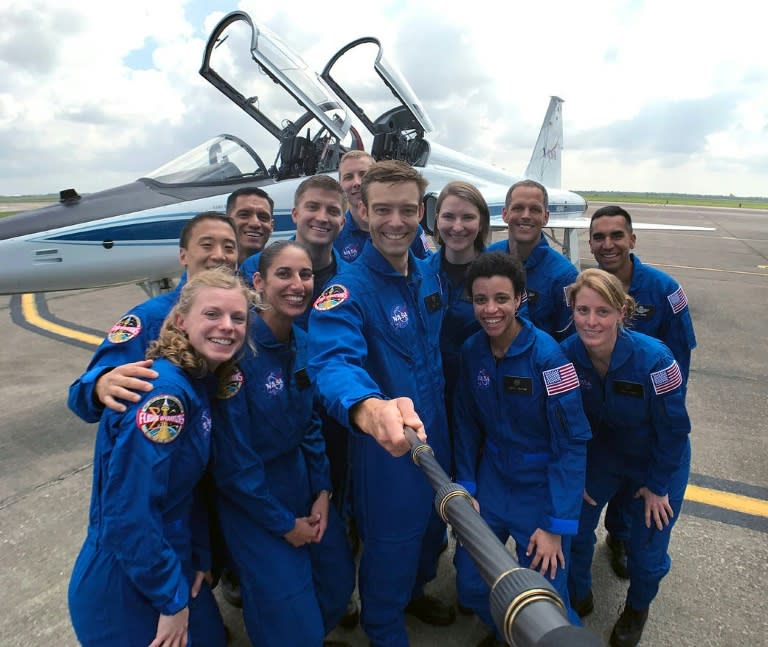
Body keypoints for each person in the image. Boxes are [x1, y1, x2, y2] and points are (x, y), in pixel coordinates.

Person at [308, 160, 454, 646]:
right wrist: (368, 407)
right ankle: (385, 627)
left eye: (408, 210)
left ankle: (414, 593)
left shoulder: (428, 275)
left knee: (433, 533)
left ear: (421, 213)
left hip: (438, 437)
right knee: (392, 543)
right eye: (384, 210)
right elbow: (332, 362)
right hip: (389, 447)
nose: (397, 222)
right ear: (364, 214)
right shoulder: (346, 291)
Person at [68, 267, 250, 647]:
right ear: (181, 321)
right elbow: (128, 513)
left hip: (170, 561)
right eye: (212, 314)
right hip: (127, 579)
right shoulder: (165, 395)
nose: (228, 326)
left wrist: (199, 554)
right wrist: (171, 601)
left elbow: (189, 491)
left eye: (238, 317)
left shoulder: (199, 383)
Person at [211, 241, 355, 646]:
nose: (298, 284)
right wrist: (281, 524)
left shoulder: (304, 342)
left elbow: (310, 424)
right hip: (252, 498)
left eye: (305, 275)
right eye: (284, 274)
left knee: (338, 580)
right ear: (258, 282)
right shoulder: (236, 353)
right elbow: (233, 460)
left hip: (301, 482)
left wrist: (322, 491)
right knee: (282, 603)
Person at [452, 252, 591, 645]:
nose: (491, 309)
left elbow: (571, 443)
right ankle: (507, 632)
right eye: (481, 300)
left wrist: (554, 524)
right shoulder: (472, 351)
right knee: (472, 583)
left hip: (539, 490)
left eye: (501, 298)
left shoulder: (548, 359)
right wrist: (466, 486)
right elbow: (464, 420)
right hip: (493, 480)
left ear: (519, 300)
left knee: (547, 602)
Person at [562, 268, 691, 647]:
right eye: (582, 310)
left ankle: (637, 608)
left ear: (622, 312)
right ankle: (579, 595)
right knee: (575, 524)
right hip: (602, 455)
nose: (591, 321)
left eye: (603, 311)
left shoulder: (655, 360)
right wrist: (576, 473)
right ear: (571, 310)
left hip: (654, 460)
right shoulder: (565, 355)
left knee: (647, 551)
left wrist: (657, 485)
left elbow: (674, 430)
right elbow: (564, 423)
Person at [588, 205, 697, 578]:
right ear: (590, 244)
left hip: (649, 415)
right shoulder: (587, 288)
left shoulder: (665, 289)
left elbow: (680, 360)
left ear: (632, 240)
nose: (608, 244)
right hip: (604, 416)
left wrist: (662, 420)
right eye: (599, 237)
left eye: (617, 235)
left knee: (637, 494)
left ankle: (619, 538)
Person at [67, 211, 238, 422]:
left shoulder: (241, 317)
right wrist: (100, 384)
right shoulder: (150, 317)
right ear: (183, 255)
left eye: (229, 248)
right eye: (207, 245)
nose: (220, 255)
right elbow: (79, 399)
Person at [423, 181, 490, 473]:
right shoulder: (419, 273)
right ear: (436, 220)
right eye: (448, 216)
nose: (457, 226)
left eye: (468, 217)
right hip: (429, 402)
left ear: (482, 222)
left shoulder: (499, 276)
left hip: (482, 406)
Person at [487, 179, 577, 340]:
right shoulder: (488, 258)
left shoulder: (564, 276)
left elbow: (569, 340)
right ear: (505, 214)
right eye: (518, 208)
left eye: (534, 209)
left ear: (546, 217)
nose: (526, 216)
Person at [334, 150, 433, 262]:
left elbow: (428, 266)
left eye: (363, 174)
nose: (356, 182)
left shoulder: (410, 229)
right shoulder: (335, 234)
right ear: (340, 185)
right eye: (348, 177)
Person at [226, 186, 275, 265]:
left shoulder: (283, 273)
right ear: (227, 222)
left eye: (263, 217)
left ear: (272, 226)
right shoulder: (207, 273)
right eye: (244, 215)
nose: (255, 224)